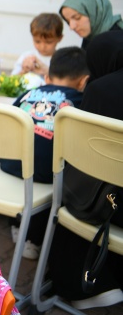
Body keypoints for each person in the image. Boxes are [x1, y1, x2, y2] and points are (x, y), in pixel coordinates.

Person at [47, 32, 123, 310]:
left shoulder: (100, 89)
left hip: (102, 206)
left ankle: (82, 284)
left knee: (78, 186)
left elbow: (82, 152)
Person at [0, 47, 89, 260]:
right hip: (44, 173)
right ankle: (32, 239)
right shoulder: (80, 101)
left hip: (8, 162)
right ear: (83, 82)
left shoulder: (28, 94)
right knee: (57, 172)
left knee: (32, 163)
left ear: (46, 77)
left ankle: (16, 224)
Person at [11, 14, 63, 82]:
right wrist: (24, 71)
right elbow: (12, 80)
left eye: (48, 42)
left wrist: (47, 71)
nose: (42, 47)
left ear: (60, 38)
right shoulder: (26, 56)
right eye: (37, 41)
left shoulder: (62, 60)